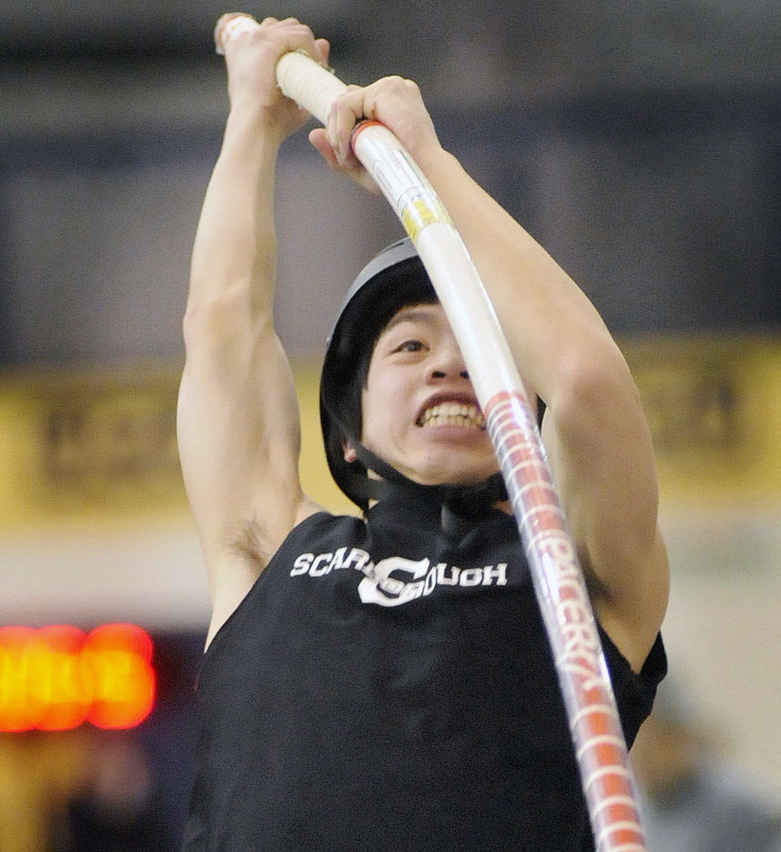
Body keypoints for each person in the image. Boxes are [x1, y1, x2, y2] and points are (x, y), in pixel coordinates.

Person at [176, 15, 670, 851]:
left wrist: (429, 168)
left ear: (525, 413)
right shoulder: (271, 548)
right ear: (345, 432)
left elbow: (585, 379)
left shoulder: (574, 576)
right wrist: (251, 123)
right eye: (409, 345)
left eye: (483, 350)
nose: (452, 366)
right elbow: (222, 325)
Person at [631, 677, 781, 852]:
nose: (640, 757)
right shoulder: (633, 809)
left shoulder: (741, 809)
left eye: (651, 744)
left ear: (680, 735)